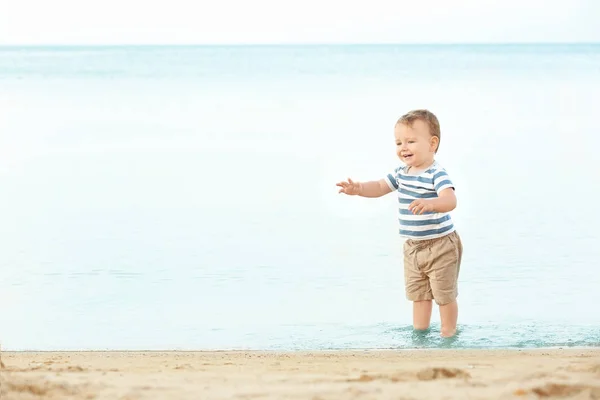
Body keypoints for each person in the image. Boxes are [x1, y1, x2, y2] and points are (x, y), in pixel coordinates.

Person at [336, 109, 463, 338]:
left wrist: (431, 203)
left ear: (432, 143)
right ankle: (420, 335)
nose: (403, 148)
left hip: (441, 245)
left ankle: (448, 333)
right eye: (398, 142)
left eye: (411, 141)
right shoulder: (401, 173)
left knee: (444, 295)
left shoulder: (437, 173)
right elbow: (379, 187)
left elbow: (450, 200)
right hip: (413, 247)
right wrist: (359, 189)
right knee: (419, 295)